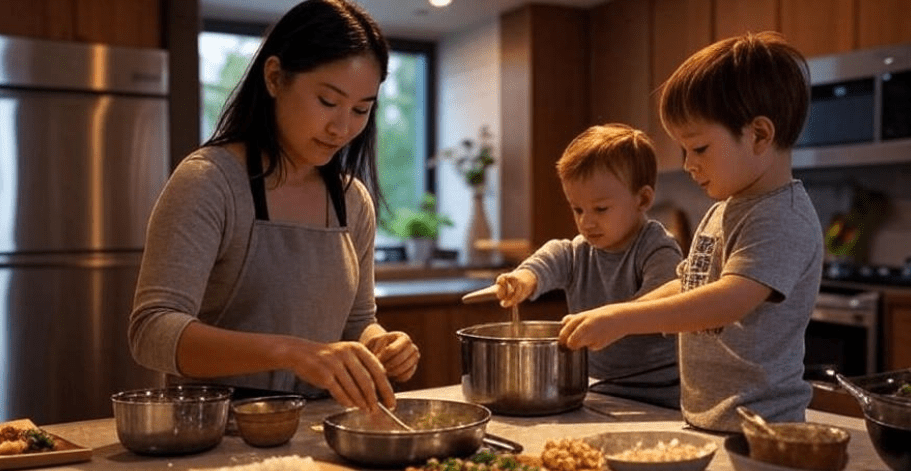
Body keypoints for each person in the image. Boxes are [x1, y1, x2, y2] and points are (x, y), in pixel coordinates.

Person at [128, 0, 419, 412]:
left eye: (360, 110)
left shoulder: (353, 201)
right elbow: (152, 331)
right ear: (275, 77)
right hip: (215, 429)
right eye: (327, 101)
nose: (342, 128)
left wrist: (379, 343)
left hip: (319, 428)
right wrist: (292, 352)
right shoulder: (210, 182)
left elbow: (356, 323)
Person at [559, 31, 821, 432]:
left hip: (764, 426)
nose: (687, 164)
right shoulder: (723, 210)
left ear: (759, 135)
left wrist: (623, 320)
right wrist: (612, 314)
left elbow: (729, 301)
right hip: (711, 417)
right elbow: (690, 283)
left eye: (698, 148)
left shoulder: (781, 216)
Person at [495, 123, 683, 409]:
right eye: (577, 209)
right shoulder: (577, 252)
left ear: (642, 199)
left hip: (662, 397)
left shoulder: (656, 248)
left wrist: (616, 319)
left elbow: (666, 304)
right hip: (599, 390)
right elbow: (548, 259)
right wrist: (522, 279)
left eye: (600, 209)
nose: (586, 222)